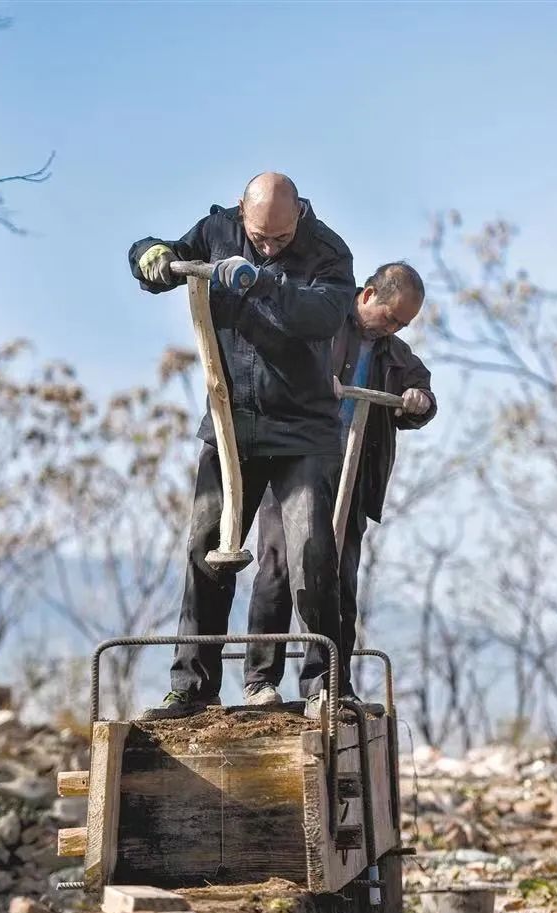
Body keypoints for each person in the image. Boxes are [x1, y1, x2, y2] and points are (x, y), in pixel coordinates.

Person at [129, 172, 356, 719]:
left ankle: (328, 684)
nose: (269, 245)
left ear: (299, 212)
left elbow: (320, 316)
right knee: (206, 550)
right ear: (241, 212)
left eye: (279, 238)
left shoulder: (328, 252)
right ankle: (193, 686)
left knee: (310, 555)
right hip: (232, 425)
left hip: (303, 430)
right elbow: (162, 258)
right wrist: (149, 256)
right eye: (260, 237)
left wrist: (263, 281)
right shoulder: (217, 230)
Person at [244, 261, 436, 703]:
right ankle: (260, 682)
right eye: (390, 317)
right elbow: (273, 365)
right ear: (368, 295)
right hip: (294, 466)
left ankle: (326, 685)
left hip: (353, 477)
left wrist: (418, 401)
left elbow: (423, 394)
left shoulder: (395, 354)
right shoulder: (323, 318)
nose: (392, 329)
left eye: (402, 324)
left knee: (339, 579)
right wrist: (312, 383)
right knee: (279, 568)